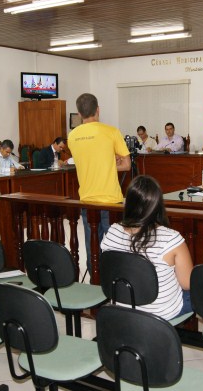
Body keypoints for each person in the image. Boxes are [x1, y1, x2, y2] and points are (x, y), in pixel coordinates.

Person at [101, 175, 193, 320]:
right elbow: (187, 283)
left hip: (122, 305)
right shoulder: (171, 238)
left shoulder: (112, 231)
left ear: (128, 202)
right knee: (197, 292)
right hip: (160, 313)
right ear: (158, 204)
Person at [68, 93, 131, 273]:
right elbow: (126, 165)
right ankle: (116, 281)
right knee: (116, 247)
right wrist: (112, 164)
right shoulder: (111, 132)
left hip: (87, 200)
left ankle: (95, 281)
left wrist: (108, 163)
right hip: (111, 200)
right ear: (98, 110)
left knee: (92, 246)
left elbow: (88, 162)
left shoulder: (72, 136)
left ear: (79, 114)